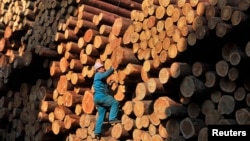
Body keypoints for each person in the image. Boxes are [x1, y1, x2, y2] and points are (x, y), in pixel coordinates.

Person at [92, 62, 120, 139]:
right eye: (102, 68)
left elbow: (104, 87)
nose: (104, 69)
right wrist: (112, 69)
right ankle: (112, 119)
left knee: (101, 115)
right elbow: (105, 75)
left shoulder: (100, 78)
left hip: (97, 98)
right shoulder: (98, 74)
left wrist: (109, 85)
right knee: (115, 103)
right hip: (101, 96)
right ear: (98, 69)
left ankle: (97, 132)